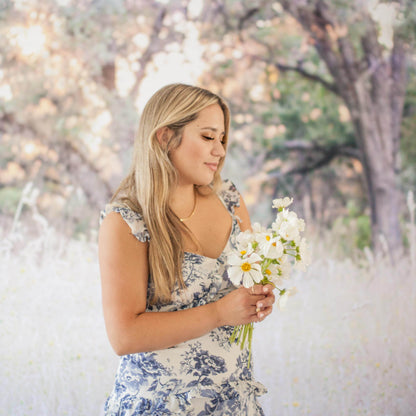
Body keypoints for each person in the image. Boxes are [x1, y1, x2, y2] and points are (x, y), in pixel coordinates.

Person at [98, 83, 276, 415]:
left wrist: (258, 297)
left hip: (234, 402)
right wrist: (220, 313)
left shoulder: (231, 200)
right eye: (208, 137)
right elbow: (124, 336)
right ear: (165, 137)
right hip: (159, 406)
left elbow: (246, 285)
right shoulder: (126, 221)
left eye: (222, 139)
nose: (220, 151)